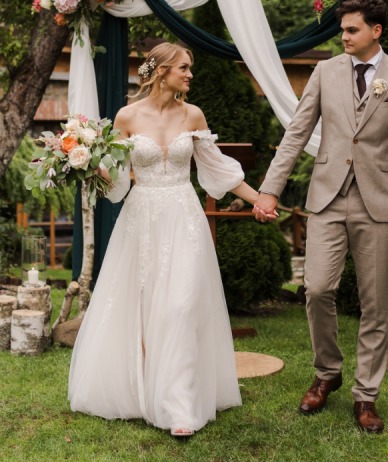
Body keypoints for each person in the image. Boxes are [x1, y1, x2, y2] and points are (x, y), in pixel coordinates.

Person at [68, 42, 272, 437]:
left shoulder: (193, 115)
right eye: (184, 67)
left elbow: (218, 170)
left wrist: (259, 199)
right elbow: (118, 183)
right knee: (146, 310)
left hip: (184, 217)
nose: (190, 74)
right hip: (141, 219)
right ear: (161, 70)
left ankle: (179, 407)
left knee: (181, 306)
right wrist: (85, 162)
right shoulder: (127, 117)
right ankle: (145, 391)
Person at [253, 0, 388, 434]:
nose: (344, 36)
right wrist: (270, 189)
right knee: (317, 289)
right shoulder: (324, 72)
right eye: (343, 29)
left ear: (376, 30)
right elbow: (296, 133)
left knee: (374, 304)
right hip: (327, 198)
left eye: (352, 30)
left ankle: (366, 395)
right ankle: (327, 372)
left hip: (380, 202)